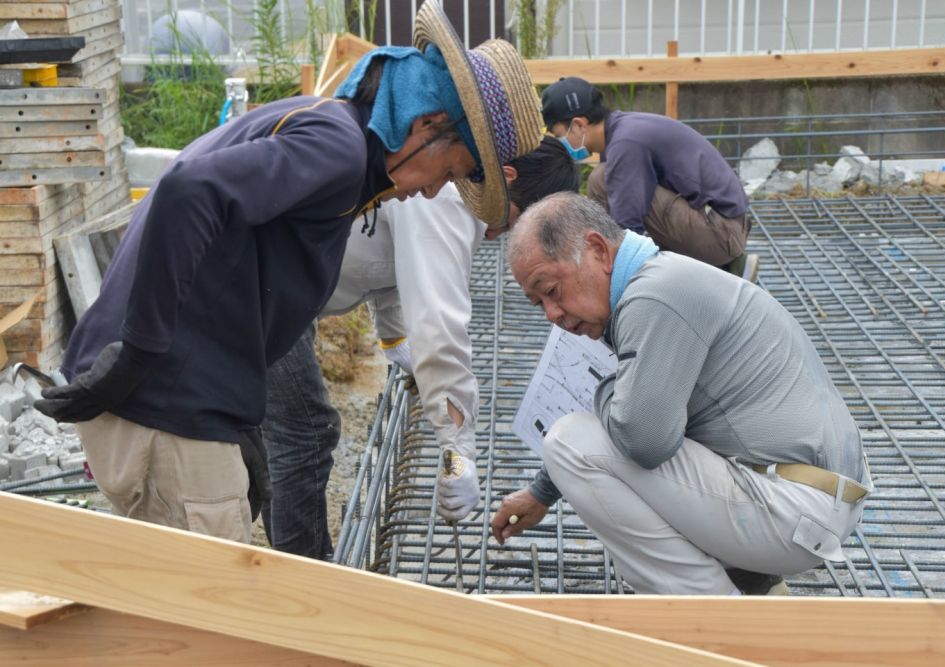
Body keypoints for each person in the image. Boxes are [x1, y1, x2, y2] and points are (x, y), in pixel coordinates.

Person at [34, 1, 545, 544]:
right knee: (212, 617)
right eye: (452, 171)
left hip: (184, 401)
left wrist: (238, 418)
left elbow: (238, 268)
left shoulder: (335, 138)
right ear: (426, 125)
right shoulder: (339, 150)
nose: (436, 190)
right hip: (166, 406)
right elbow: (187, 192)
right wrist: (138, 354)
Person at [491, 192, 870, 595]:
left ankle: (713, 622)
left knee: (568, 441)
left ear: (598, 250)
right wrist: (542, 492)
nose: (552, 315)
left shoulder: (655, 297)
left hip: (797, 509)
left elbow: (643, 440)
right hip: (812, 501)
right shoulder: (659, 279)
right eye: (538, 303)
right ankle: (753, 586)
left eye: (551, 289)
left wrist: (608, 389)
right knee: (636, 424)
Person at [262, 136, 579, 559]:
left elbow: (395, 266)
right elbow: (439, 320)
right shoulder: (447, 198)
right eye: (514, 223)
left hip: (282, 288)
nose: (500, 236)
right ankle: (302, 582)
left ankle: (294, 565)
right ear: (507, 179)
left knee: (276, 436)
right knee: (305, 434)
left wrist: (394, 339)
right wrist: (458, 449)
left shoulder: (454, 187)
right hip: (261, 288)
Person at [541, 76, 760, 282]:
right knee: (602, 178)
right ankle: (718, 267)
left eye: (560, 134)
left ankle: (726, 270)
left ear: (579, 124)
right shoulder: (622, 130)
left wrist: (611, 275)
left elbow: (627, 224)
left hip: (721, 234)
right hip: (721, 224)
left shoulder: (626, 144)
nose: (562, 141)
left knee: (624, 197)